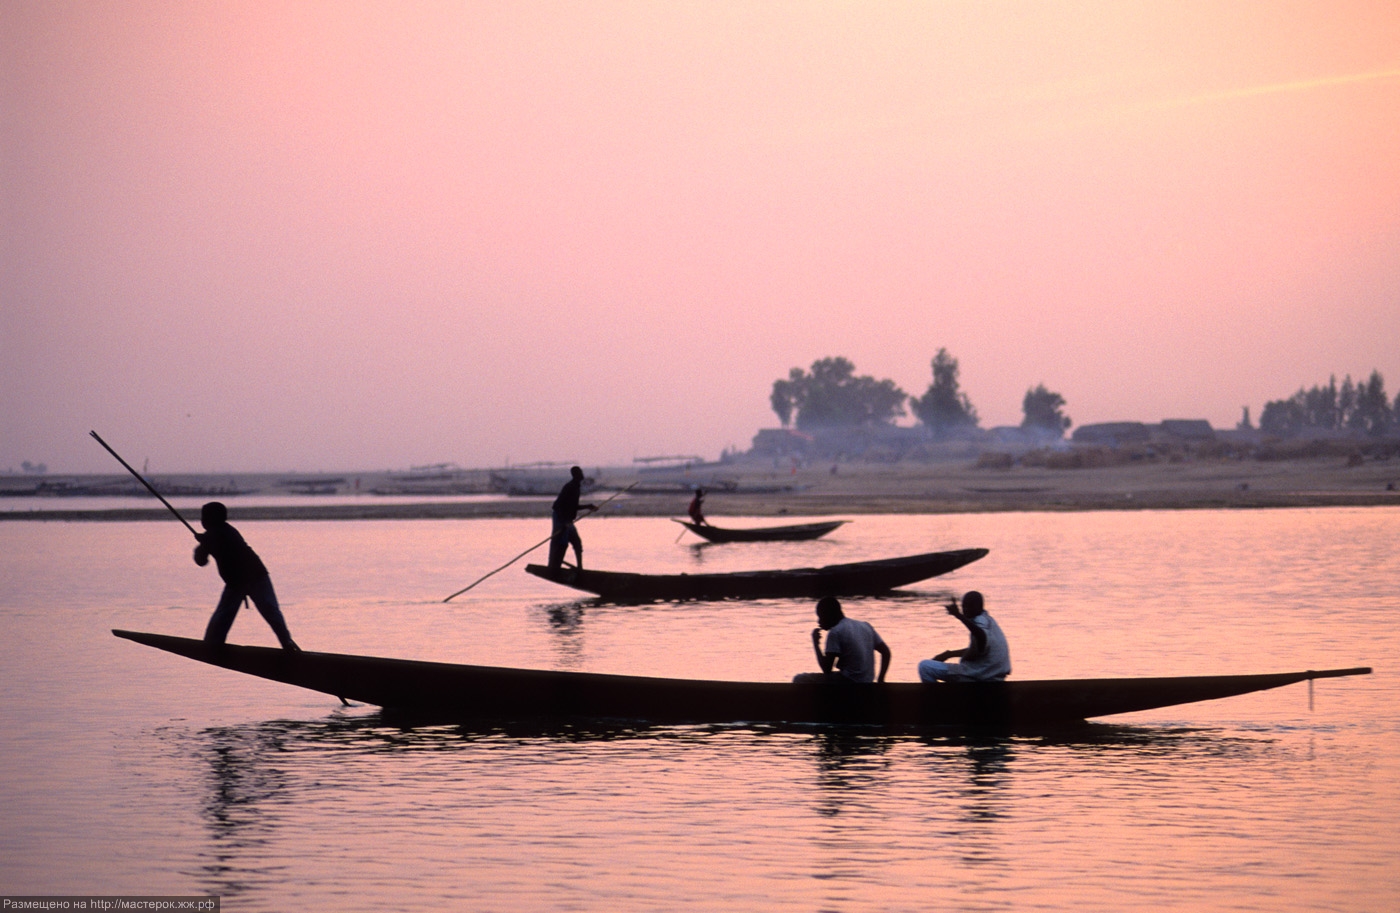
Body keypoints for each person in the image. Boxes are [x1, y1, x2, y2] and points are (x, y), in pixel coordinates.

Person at [194, 501, 299, 651]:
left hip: (255, 577)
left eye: (204, 518)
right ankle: (212, 644)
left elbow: (207, 553)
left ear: (211, 519)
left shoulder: (222, 533)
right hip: (237, 582)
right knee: (225, 614)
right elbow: (201, 561)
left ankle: (287, 643)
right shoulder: (213, 535)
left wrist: (203, 543)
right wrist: (203, 545)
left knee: (269, 611)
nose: (202, 521)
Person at [793, 596, 890, 684]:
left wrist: (815, 643)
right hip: (867, 682)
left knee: (799, 679)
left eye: (821, 617)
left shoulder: (835, 632)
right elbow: (886, 652)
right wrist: (880, 679)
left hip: (848, 683)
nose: (819, 621)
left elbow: (826, 669)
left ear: (829, 615)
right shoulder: (865, 626)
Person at [917, 590, 1010, 682]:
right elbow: (978, 648)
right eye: (963, 607)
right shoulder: (989, 622)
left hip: (979, 675)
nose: (965, 610)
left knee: (925, 667)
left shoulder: (981, 623)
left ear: (978, 607)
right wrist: (949, 654)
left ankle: (937, 697)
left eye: (969, 607)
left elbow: (981, 636)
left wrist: (959, 616)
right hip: (992, 675)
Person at [548, 466, 596, 573]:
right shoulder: (569, 487)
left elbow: (573, 506)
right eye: (580, 472)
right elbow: (558, 505)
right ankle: (555, 567)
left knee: (577, 542)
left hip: (567, 519)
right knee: (562, 542)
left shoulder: (576, 487)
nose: (582, 474)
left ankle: (580, 568)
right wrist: (563, 522)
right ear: (575, 475)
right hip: (560, 517)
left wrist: (589, 506)